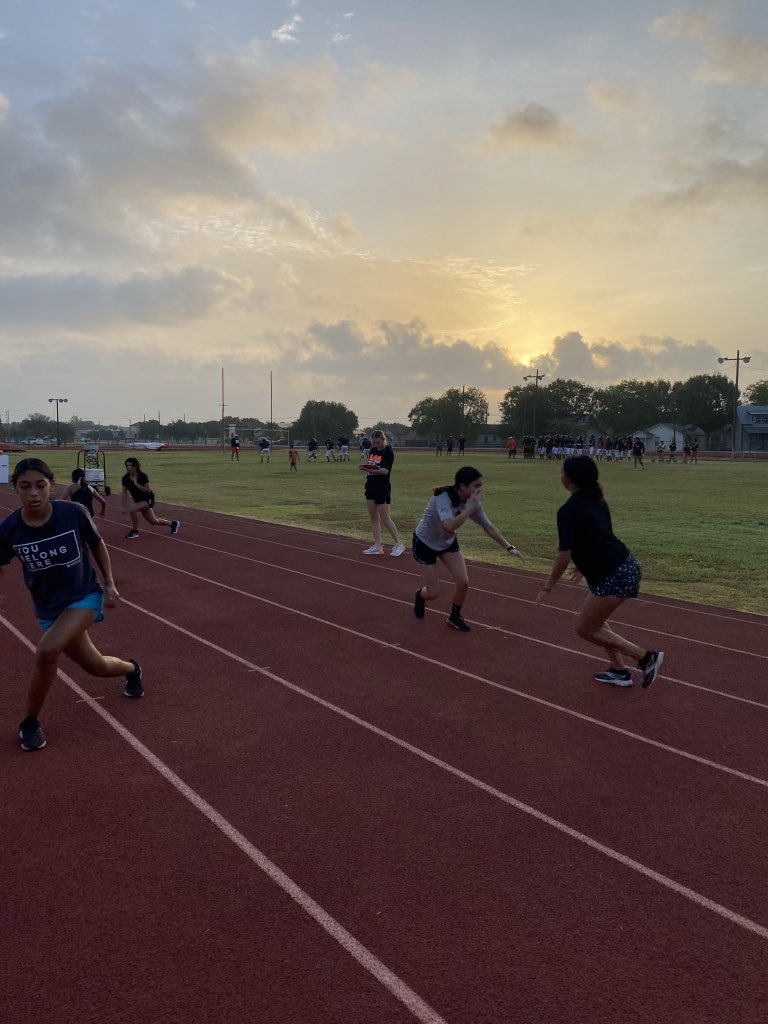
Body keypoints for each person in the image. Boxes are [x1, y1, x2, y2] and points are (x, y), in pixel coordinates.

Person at [0, 458, 144, 752]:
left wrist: (109, 582)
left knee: (46, 650)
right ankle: (132, 669)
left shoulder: (72, 513)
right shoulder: (10, 529)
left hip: (84, 597)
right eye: (25, 487)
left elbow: (96, 544)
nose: (34, 493)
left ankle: (29, 722)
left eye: (41, 485)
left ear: (52, 485)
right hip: (48, 609)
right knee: (96, 666)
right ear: (15, 488)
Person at [536, 455, 663, 688]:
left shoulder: (567, 510)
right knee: (595, 621)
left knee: (584, 628)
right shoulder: (597, 500)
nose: (560, 475)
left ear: (569, 479)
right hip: (622, 565)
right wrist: (582, 567)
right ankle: (619, 671)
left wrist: (548, 586)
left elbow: (564, 553)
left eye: (562, 471)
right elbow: (598, 537)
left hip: (615, 573)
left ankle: (645, 657)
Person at [412, 466, 522, 632]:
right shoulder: (442, 497)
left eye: (480, 486)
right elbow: (448, 525)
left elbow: (488, 527)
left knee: (463, 582)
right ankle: (420, 595)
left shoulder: (473, 504)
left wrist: (508, 547)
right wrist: (469, 509)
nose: (479, 490)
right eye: (476, 486)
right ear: (463, 486)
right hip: (425, 543)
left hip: (447, 543)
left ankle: (454, 616)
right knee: (433, 593)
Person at [359, 429, 405, 557]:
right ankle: (378, 546)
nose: (376, 445)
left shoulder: (388, 452)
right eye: (374, 442)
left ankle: (398, 544)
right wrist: (365, 468)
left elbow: (385, 471)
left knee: (385, 518)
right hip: (371, 485)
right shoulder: (373, 450)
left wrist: (369, 469)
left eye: (378, 442)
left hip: (382, 487)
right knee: (373, 517)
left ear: (384, 440)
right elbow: (372, 466)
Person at [121, 457, 180, 540]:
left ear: (136, 466)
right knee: (153, 521)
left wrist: (137, 484)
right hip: (138, 501)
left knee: (132, 510)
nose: (128, 468)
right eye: (127, 466)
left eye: (130, 465)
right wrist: (123, 507)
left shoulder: (142, 476)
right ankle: (173, 524)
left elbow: (147, 490)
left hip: (147, 499)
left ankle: (135, 531)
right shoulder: (125, 478)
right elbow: (124, 493)